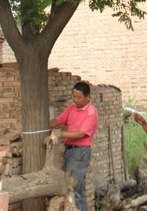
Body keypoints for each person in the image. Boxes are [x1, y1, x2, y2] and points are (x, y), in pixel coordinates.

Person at [50, 81, 99, 211]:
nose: (76, 100)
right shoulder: (71, 109)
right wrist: (42, 127)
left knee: (72, 188)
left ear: (88, 97)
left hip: (80, 152)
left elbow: (81, 133)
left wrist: (61, 134)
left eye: (79, 97)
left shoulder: (91, 113)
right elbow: (57, 121)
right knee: (78, 190)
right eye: (74, 97)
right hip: (69, 151)